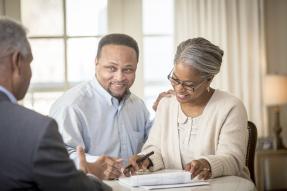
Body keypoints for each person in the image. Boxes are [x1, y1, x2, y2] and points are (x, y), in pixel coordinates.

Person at [0, 17, 112, 190]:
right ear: (17, 61)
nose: (31, 73)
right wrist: (89, 176)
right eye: (30, 62)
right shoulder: (35, 130)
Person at [124, 37, 250, 181]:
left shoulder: (231, 107)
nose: (179, 89)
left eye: (189, 84)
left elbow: (233, 159)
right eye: (175, 79)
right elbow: (155, 149)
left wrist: (207, 164)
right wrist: (146, 160)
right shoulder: (166, 105)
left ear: (209, 78)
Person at [49, 33, 152, 180]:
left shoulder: (138, 106)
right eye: (111, 68)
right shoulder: (71, 105)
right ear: (96, 62)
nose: (119, 77)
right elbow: (57, 157)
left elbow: (151, 144)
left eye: (128, 70)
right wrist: (94, 166)